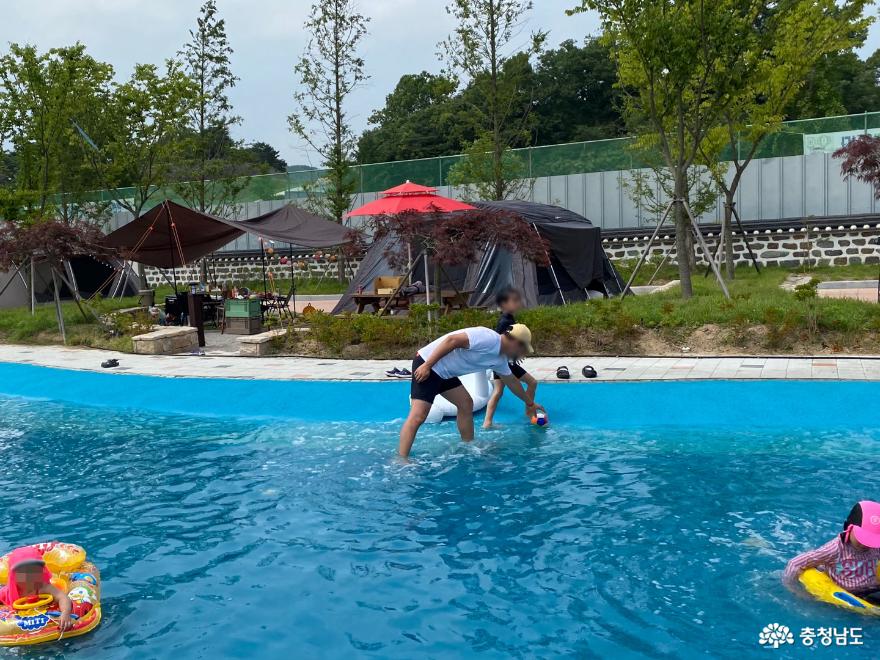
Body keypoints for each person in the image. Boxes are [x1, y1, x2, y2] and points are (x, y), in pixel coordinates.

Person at [399, 324, 544, 458]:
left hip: (445, 373)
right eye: (522, 350)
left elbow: (512, 382)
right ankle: (401, 459)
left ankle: (468, 444)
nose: (521, 354)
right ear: (516, 342)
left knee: (465, 403)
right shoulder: (488, 338)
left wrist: (530, 403)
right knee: (419, 416)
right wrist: (427, 365)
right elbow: (452, 340)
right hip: (429, 364)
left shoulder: (500, 359)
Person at [783, 501, 880, 596]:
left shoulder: (876, 547)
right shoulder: (835, 549)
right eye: (862, 538)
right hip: (849, 592)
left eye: (872, 540)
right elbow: (795, 563)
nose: (865, 544)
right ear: (848, 528)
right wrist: (792, 588)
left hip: (872, 589)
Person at [483, 288, 537, 428]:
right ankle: (529, 411)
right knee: (532, 383)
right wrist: (512, 357)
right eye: (514, 301)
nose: (518, 304)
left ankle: (487, 422)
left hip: (502, 361)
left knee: (498, 391)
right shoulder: (504, 321)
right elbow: (499, 342)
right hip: (504, 362)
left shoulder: (509, 318)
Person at [0, 546, 72, 631]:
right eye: (23, 573)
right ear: (14, 576)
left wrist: (65, 613)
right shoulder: (7, 592)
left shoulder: (42, 587)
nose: (29, 577)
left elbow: (63, 597)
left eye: (34, 571)